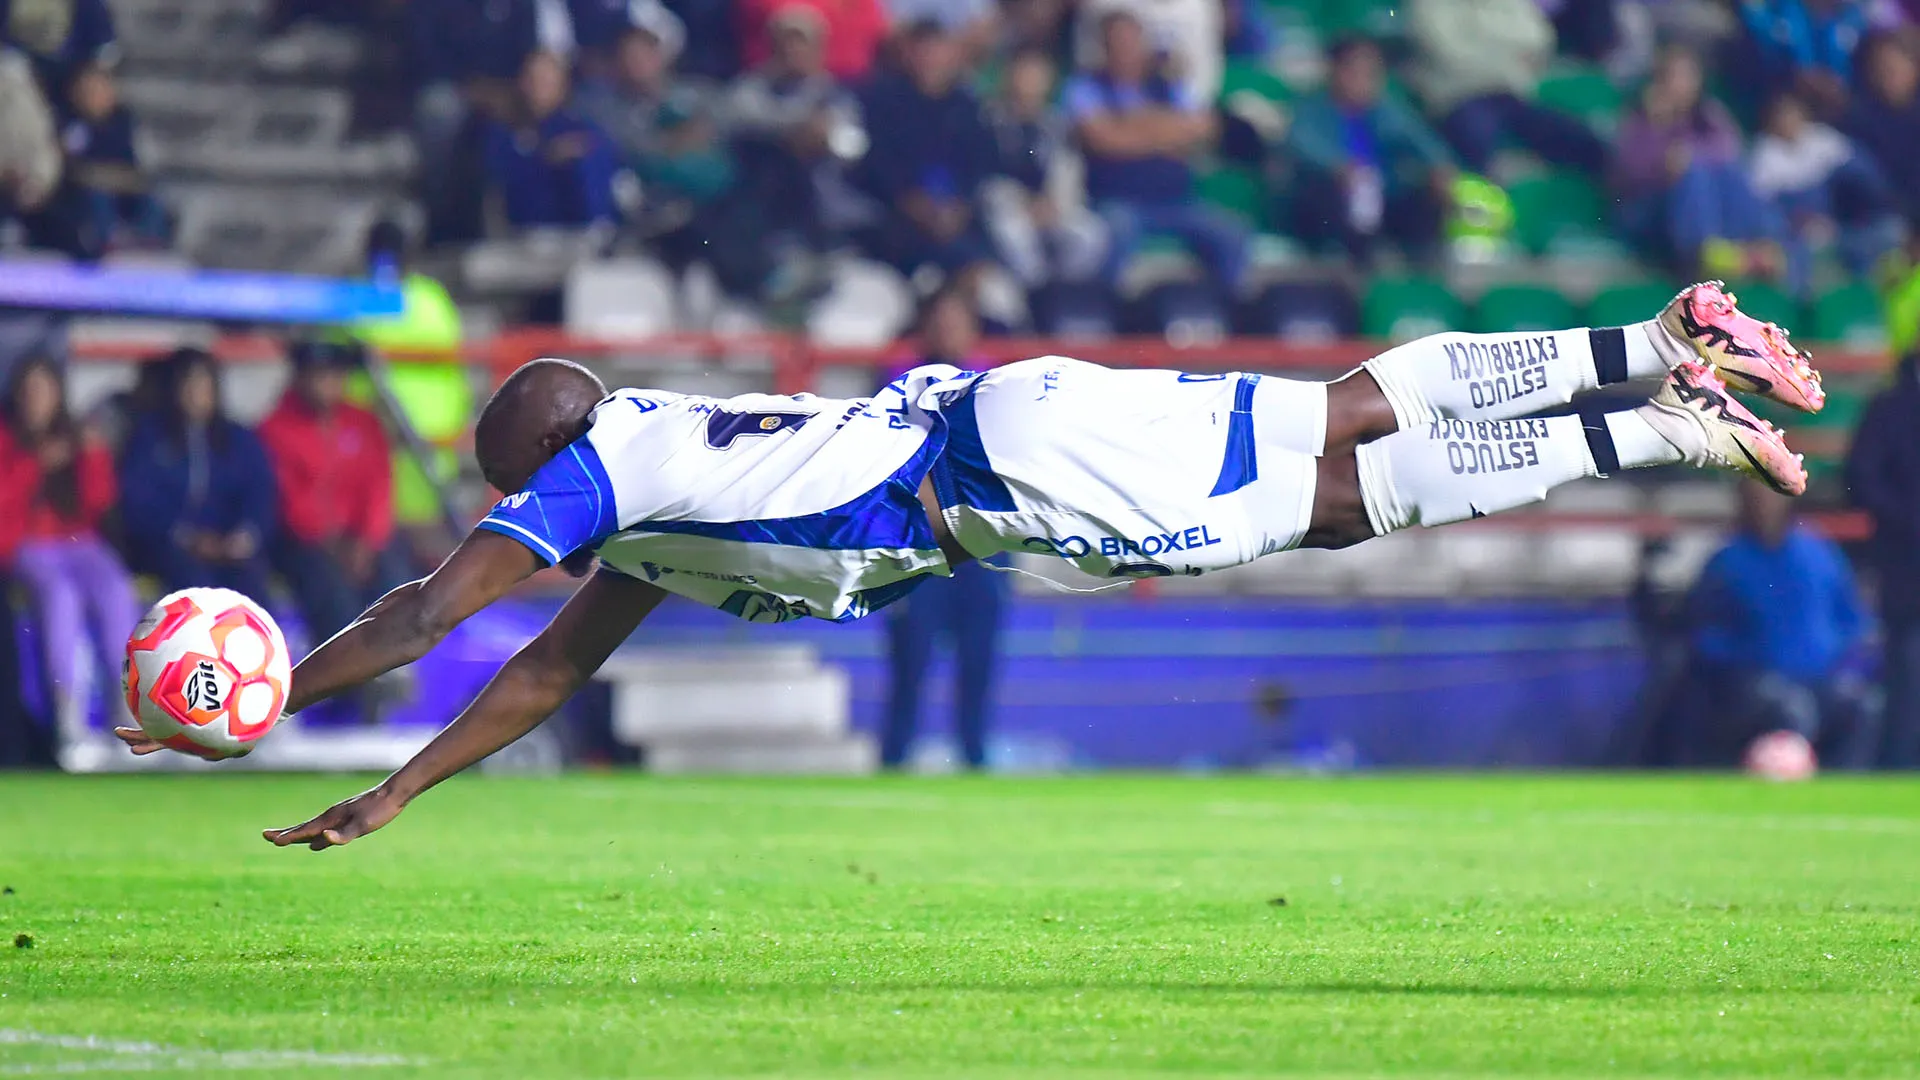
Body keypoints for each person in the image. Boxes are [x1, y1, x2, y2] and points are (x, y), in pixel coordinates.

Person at [115, 284, 1828, 847]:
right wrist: (397, 792)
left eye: (512, 497)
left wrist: (275, 705)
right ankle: (1666, 416)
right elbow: (550, 671)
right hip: (1003, 447)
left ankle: (1654, 352)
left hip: (997, 472)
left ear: (534, 469)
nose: (512, 522)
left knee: (1338, 443)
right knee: (1331, 486)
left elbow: (434, 613)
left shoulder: (592, 479)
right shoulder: (642, 500)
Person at [880, 288, 1007, 770]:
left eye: (957, 320)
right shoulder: (900, 384)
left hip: (982, 544)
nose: (948, 330)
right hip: (920, 541)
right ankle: (895, 755)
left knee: (979, 659)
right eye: (940, 320)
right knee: (910, 658)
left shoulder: (993, 382)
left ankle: (974, 756)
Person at [1686, 481, 1875, 768]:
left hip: (1819, 678)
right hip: (1754, 683)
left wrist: (1835, 654)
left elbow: (1851, 620)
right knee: (1790, 707)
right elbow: (1703, 634)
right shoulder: (1727, 562)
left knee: (1863, 705)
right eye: (1756, 496)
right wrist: (1746, 657)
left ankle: (1845, 784)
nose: (1765, 503)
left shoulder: (1819, 553)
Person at [1066, 9, 1249, 298]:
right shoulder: (1086, 86)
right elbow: (1103, 140)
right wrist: (1166, 132)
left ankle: (1224, 310)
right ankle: (1108, 310)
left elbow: (1203, 129)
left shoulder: (1168, 84)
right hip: (1118, 201)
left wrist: (1129, 124)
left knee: (1232, 233)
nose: (1126, 49)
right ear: (1103, 47)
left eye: (1131, 41)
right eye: (1117, 42)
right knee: (1116, 232)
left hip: (1176, 201)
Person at [0, 356, 139, 734]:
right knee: (61, 597)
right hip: (30, 544)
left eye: (44, 390)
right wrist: (35, 464)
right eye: (29, 391)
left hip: (81, 542)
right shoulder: (6, 438)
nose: (37, 399)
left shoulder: (76, 435)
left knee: (116, 590)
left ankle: (127, 705)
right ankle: (68, 710)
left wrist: (93, 455)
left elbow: (99, 501)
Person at [257, 340, 401, 644]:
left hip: (360, 538)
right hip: (302, 541)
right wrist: (333, 542)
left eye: (335, 375)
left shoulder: (364, 422)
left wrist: (367, 539)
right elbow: (289, 500)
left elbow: (378, 485)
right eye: (319, 374)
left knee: (399, 583)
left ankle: (399, 663)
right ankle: (346, 666)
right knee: (332, 595)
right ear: (299, 377)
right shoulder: (274, 428)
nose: (328, 383)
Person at [1613, 45, 1790, 282]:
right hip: (1648, 210)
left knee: (1728, 173)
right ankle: (1705, 254)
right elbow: (1626, 173)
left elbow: (1730, 152)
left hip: (1704, 209)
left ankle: (1760, 244)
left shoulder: (1708, 114)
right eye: (1674, 76)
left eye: (1688, 76)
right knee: (1694, 174)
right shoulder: (1640, 119)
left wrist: (1687, 153)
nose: (1681, 84)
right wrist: (1661, 130)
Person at [118, 348, 278, 598]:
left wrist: (245, 535)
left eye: (204, 384)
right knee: (196, 584)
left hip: (228, 545)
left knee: (250, 582)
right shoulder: (150, 438)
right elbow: (139, 500)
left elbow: (259, 492)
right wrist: (185, 536)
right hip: (168, 545)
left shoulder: (238, 439)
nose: (196, 393)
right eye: (189, 384)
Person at [1287, 36, 1455, 265]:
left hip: (1381, 195)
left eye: (1371, 73)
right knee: (1332, 194)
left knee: (1425, 194)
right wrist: (1339, 168)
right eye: (1354, 72)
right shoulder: (1312, 108)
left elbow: (1421, 141)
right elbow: (1302, 145)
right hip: (1334, 197)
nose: (1363, 81)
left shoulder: (1386, 109)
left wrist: (1439, 167)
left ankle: (1422, 264)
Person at [857, 19, 999, 281]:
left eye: (937, 51)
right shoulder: (882, 102)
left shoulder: (967, 107)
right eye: (923, 51)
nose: (930, 60)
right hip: (897, 224)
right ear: (908, 54)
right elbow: (877, 163)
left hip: (961, 219)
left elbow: (980, 164)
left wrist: (960, 207)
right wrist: (914, 205)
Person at [1406, 0, 1608, 175]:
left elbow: (1540, 39)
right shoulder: (1429, 5)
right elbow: (1450, 55)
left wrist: (1483, 45)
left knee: (1586, 142)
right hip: (1457, 99)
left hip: (1511, 97)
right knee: (1478, 143)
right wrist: (1509, 58)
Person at [1845, 352, 1920, 768]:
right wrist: (1909, 520)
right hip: (1908, 570)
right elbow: (1860, 476)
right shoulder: (1890, 407)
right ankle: (1901, 768)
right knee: (1907, 676)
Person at [982, 46, 1107, 289]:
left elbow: (1069, 169)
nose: (1030, 82)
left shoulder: (1055, 124)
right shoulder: (988, 120)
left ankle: (1062, 291)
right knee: (1012, 231)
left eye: (1037, 74)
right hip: (1006, 205)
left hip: (1051, 205)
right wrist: (1023, 202)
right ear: (1009, 75)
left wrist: (1055, 203)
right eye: (1024, 72)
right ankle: (1033, 290)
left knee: (1092, 234)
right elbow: (986, 173)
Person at [1748, 90, 1902, 283]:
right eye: (1781, 115)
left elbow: (1857, 177)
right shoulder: (1764, 152)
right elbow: (1766, 204)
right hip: (1797, 230)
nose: (1787, 121)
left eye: (1792, 113)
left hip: (1843, 221)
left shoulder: (1823, 137)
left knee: (1889, 230)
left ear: (1803, 114)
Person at [481, 49, 622, 231]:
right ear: (522, 83)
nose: (538, 88)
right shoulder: (503, 131)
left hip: (578, 231)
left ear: (562, 86)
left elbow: (608, 161)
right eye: (533, 79)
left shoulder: (581, 128)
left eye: (546, 81)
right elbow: (500, 178)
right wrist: (545, 158)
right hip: (525, 231)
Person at [55, 61, 166, 254]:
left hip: (124, 186)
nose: (94, 97)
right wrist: (99, 177)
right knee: (96, 197)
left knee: (152, 200)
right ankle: (104, 244)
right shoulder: (72, 126)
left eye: (100, 90)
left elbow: (140, 168)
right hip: (85, 191)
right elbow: (71, 169)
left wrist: (119, 178)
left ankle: (149, 243)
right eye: (88, 91)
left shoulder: (126, 124)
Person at [1844, 32, 1920, 229]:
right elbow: (1871, 185)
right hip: (1890, 215)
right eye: (1879, 69)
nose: (1888, 75)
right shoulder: (1858, 123)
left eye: (1893, 68)